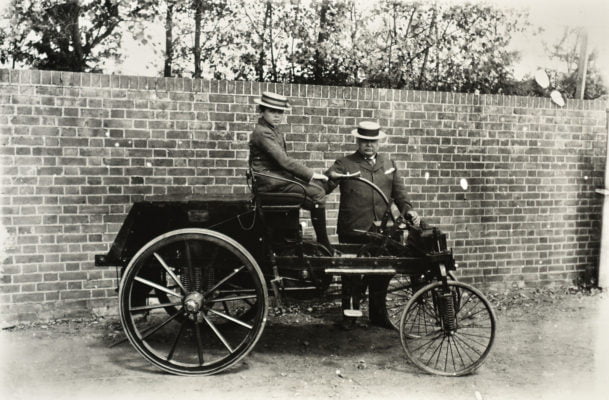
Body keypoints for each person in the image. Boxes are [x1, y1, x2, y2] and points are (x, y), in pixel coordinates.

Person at [324, 120, 422, 329]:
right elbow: (325, 185)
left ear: (379, 142)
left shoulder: (388, 164)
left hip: (382, 229)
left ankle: (378, 316)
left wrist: (409, 210)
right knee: (351, 273)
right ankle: (350, 317)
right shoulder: (344, 163)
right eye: (365, 141)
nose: (369, 145)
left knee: (381, 272)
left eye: (373, 141)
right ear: (358, 141)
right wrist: (325, 179)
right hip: (353, 227)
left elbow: (400, 194)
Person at [248, 91, 336, 254]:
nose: (276, 116)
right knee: (317, 194)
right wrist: (311, 174)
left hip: (276, 179)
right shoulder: (262, 132)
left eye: (279, 112)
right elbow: (284, 161)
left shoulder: (272, 130)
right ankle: (324, 245)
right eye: (271, 111)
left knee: (318, 189)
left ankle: (304, 238)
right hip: (270, 182)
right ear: (262, 111)